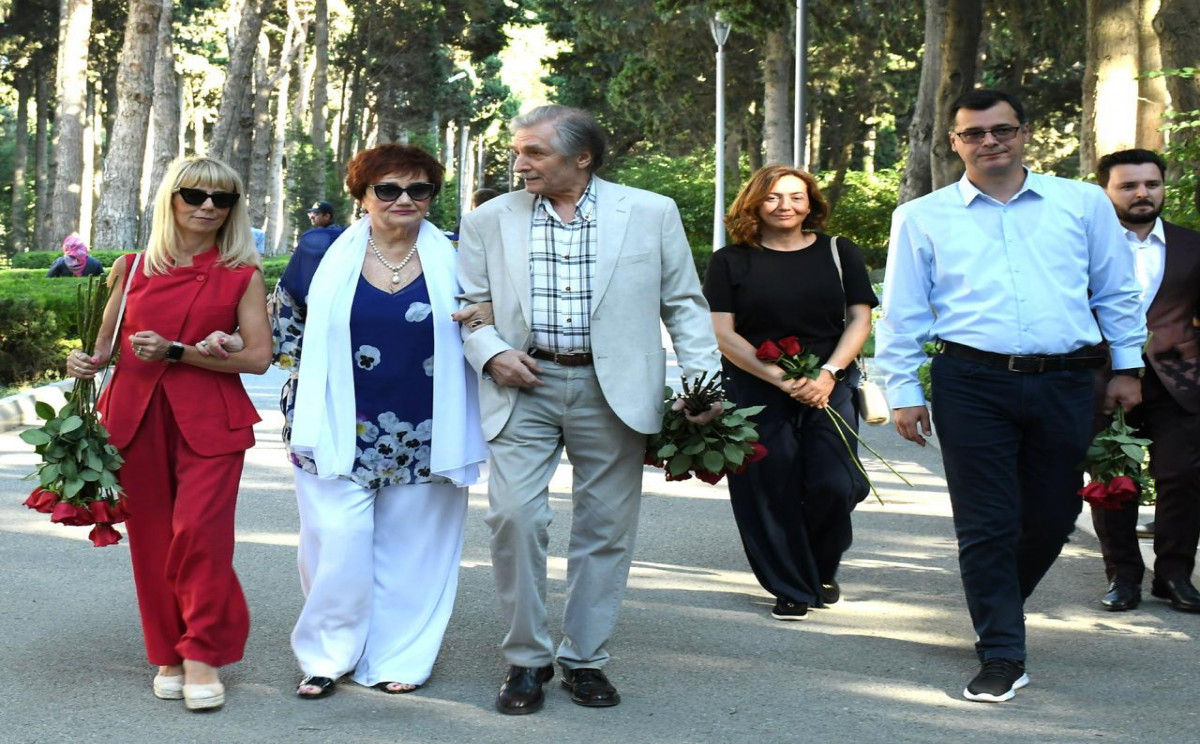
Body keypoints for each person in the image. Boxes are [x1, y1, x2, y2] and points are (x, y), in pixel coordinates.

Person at [875, 88, 1146, 703]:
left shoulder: (1079, 204)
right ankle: (1001, 651)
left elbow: (1115, 290)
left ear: (1025, 134)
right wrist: (901, 390)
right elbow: (904, 313)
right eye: (974, 133)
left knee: (1054, 515)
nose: (990, 141)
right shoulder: (922, 217)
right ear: (954, 142)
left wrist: (1128, 366)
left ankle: (997, 603)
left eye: (1002, 130)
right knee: (987, 521)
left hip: (1067, 380)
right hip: (971, 383)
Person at [457, 104, 723, 715]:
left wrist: (704, 386)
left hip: (615, 390)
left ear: (582, 159)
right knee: (515, 519)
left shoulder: (651, 212)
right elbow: (467, 302)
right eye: (517, 151)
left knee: (606, 530)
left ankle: (584, 659)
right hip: (522, 384)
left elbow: (683, 303)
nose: (519, 164)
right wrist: (491, 352)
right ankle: (526, 659)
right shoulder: (489, 219)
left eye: (534, 154)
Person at [270, 143, 489, 700]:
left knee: (416, 551)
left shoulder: (463, 257)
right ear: (363, 195)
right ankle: (326, 655)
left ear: (433, 196)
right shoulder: (319, 253)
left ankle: (401, 654)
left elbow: (490, 330)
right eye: (387, 189)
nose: (403, 199)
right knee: (336, 543)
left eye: (419, 189)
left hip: (429, 427)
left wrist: (489, 320)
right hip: (336, 425)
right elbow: (285, 332)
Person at [66, 156, 271, 711]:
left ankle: (203, 652)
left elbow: (258, 358)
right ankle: (168, 653)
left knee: (200, 535)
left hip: (210, 419)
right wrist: (82, 361)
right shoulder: (132, 268)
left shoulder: (242, 274)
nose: (207, 206)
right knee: (155, 542)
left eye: (221, 199)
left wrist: (181, 352)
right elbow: (105, 347)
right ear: (171, 199)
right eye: (194, 194)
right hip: (133, 418)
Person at [703, 165, 877, 621]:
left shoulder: (839, 252)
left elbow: (860, 319)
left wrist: (828, 374)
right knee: (768, 484)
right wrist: (781, 379)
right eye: (774, 197)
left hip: (828, 381)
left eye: (796, 197)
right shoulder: (730, 261)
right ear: (755, 203)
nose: (786, 206)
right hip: (755, 384)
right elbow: (724, 333)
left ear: (811, 203)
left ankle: (819, 566)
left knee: (836, 484)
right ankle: (790, 585)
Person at [1090, 149, 1200, 614]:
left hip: (1180, 381)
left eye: (1151, 184)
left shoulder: (1192, 244)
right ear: (1105, 191)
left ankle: (1174, 574)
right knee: (1115, 479)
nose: (1142, 193)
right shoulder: (1082, 245)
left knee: (1185, 477)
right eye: (1129, 185)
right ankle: (1124, 576)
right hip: (1104, 380)